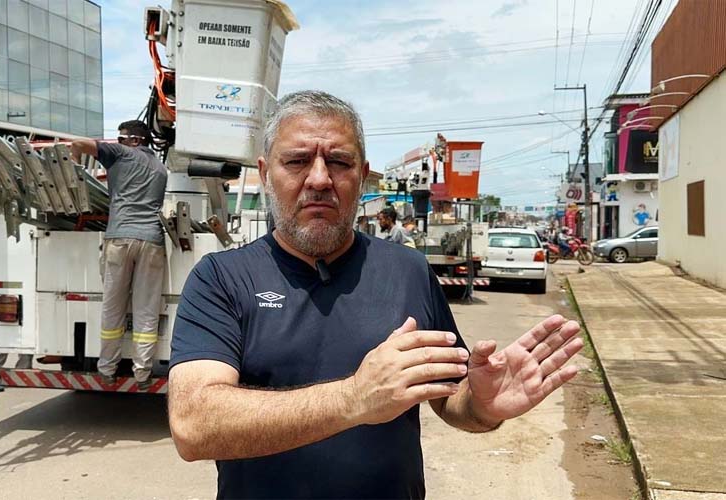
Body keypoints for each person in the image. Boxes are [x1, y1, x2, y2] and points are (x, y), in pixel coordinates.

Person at [167, 90, 583, 499]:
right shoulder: (222, 278)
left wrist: (483, 406)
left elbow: (451, 400)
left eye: (339, 162)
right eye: (296, 161)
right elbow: (194, 425)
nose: (319, 179)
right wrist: (354, 398)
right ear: (266, 170)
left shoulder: (408, 271)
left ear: (362, 176)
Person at [71, 120, 167, 390]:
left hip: (120, 237)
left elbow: (77, 144)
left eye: (121, 138)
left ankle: (108, 368)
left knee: (113, 306)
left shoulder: (121, 154)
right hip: (152, 241)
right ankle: (142, 373)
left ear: (135, 140)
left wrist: (75, 168)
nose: (118, 142)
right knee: (146, 309)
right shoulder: (161, 168)